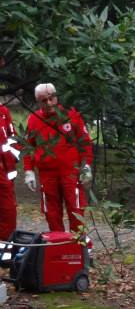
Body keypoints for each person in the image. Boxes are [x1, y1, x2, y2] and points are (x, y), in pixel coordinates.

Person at [23, 83, 93, 242]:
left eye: (51, 98)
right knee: (52, 212)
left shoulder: (71, 115)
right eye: (43, 100)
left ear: (56, 97)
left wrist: (86, 165)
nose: (48, 103)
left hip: (71, 172)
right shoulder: (34, 120)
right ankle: (59, 245)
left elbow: (85, 143)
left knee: (76, 209)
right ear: (38, 102)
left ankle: (79, 247)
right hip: (47, 174)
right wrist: (29, 171)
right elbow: (28, 147)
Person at [0, 103, 20, 254]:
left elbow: (12, 138)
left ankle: (5, 249)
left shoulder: (3, 111)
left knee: (8, 209)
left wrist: (13, 161)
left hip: (6, 170)